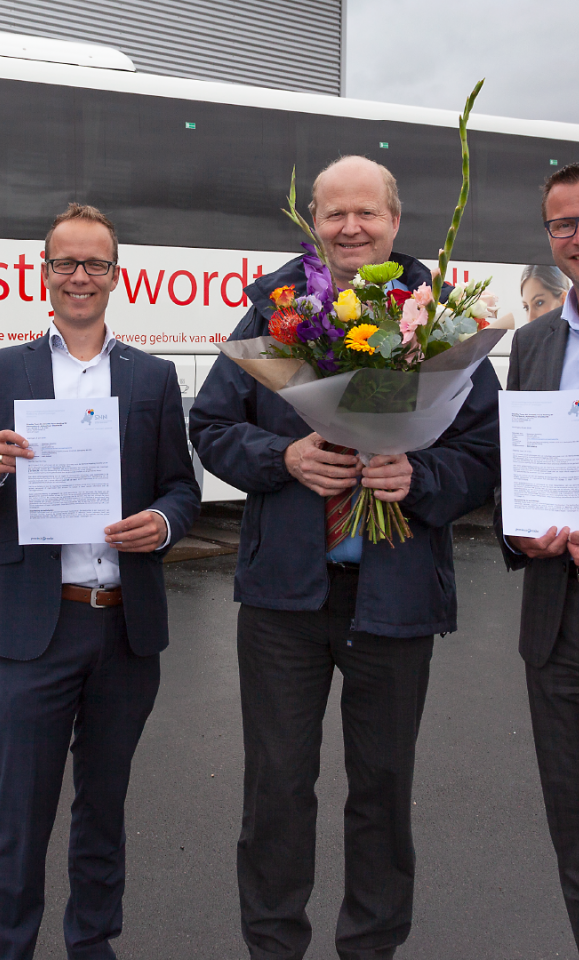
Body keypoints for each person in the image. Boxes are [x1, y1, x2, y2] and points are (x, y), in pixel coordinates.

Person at [189, 155, 501, 960]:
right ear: (313, 223)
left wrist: (418, 472)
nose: (351, 228)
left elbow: (485, 452)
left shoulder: (442, 320)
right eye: (334, 215)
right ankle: (273, 947)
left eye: (367, 214)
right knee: (278, 789)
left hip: (393, 599)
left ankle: (371, 947)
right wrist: (282, 459)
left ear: (395, 222)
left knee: (383, 792)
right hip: (284, 599)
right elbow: (214, 425)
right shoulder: (274, 307)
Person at [0, 202, 200, 960]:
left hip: (124, 625)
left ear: (117, 277)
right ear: (43, 273)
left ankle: (92, 945)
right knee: (21, 814)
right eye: (66, 263)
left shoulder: (151, 377)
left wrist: (166, 523)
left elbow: (180, 487)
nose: (80, 277)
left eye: (95, 264)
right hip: (36, 626)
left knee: (104, 810)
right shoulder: (2, 370)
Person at [496, 161, 579, 949]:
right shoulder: (533, 344)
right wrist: (517, 530)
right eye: (563, 224)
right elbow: (515, 469)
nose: (577, 237)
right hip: (559, 625)